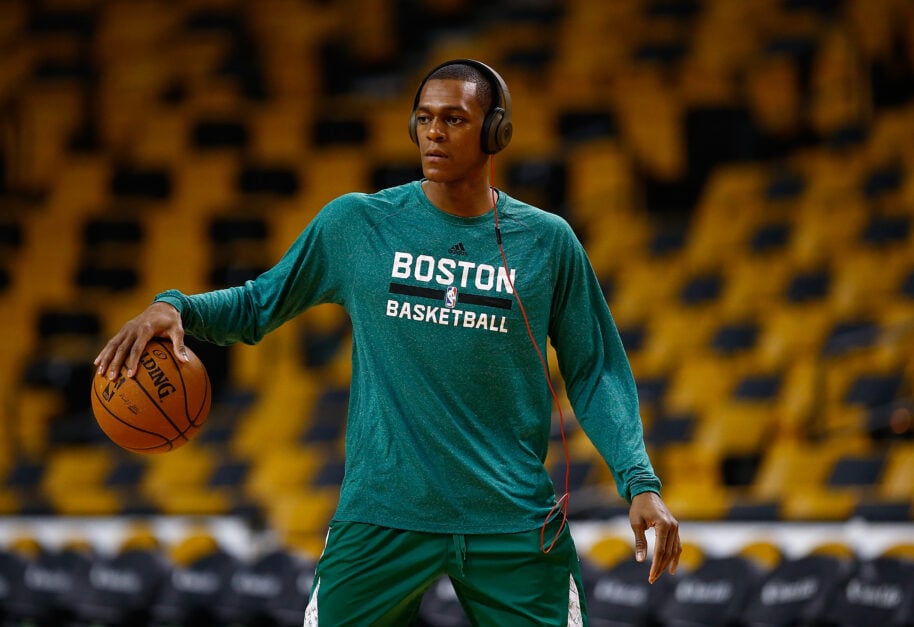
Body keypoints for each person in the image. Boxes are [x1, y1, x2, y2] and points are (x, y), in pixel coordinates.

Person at [95, 58, 681, 626]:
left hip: (510, 515)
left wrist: (639, 480)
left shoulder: (547, 242)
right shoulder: (356, 223)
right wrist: (177, 305)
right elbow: (256, 306)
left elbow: (595, 368)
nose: (434, 132)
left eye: (454, 119)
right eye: (424, 118)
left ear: (495, 131)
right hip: (382, 512)